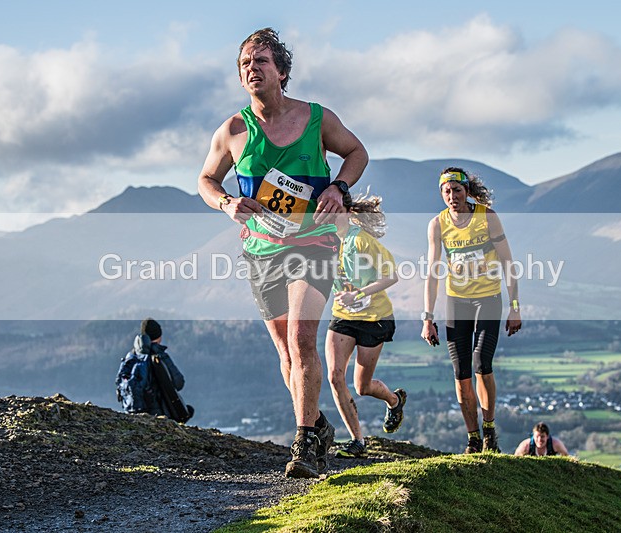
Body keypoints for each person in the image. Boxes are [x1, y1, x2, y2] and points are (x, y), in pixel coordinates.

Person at [197, 28, 368, 478]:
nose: (252, 69)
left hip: (314, 242)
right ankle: (317, 423)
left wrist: (338, 186)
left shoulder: (316, 119)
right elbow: (206, 181)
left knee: (300, 338)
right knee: (286, 354)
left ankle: (305, 447)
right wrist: (227, 203)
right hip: (261, 249)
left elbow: (356, 152)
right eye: (245, 64)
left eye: (261, 61)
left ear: (282, 71)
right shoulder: (234, 130)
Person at [421, 168, 521, 453]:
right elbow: (432, 273)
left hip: (488, 299)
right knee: (461, 373)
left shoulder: (486, 217)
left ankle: (489, 429)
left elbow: (508, 264)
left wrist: (515, 306)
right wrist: (427, 318)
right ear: (441, 194)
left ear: (467, 191)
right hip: (457, 302)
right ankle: (473, 439)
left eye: (457, 190)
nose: (452, 197)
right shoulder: (437, 225)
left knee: (481, 364)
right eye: (447, 192)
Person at [325, 194, 405, 459]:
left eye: (336, 210)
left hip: (374, 318)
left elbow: (391, 275)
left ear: (347, 212)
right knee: (335, 377)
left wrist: (357, 294)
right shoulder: (324, 239)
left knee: (362, 386)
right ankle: (357, 440)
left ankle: (394, 401)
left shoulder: (361, 240)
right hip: (343, 317)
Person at [116, 318, 187, 419]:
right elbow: (179, 383)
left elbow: (119, 380)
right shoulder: (159, 355)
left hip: (133, 410)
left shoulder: (131, 356)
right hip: (158, 412)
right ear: (159, 337)